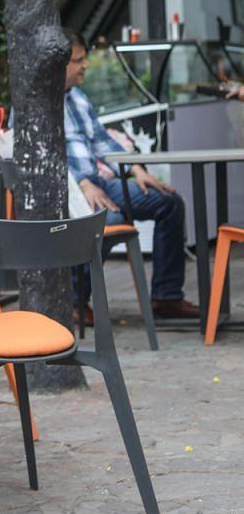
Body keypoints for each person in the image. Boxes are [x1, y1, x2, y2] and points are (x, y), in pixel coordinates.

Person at [63, 29, 200, 319]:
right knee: (106, 220)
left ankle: (166, 297)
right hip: (70, 190)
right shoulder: (36, 104)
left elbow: (103, 142)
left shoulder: (78, 98)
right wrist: (82, 184)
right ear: (58, 64)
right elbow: (42, 160)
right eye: (78, 60)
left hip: (100, 183)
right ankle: (74, 301)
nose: (86, 65)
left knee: (169, 202)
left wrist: (137, 170)